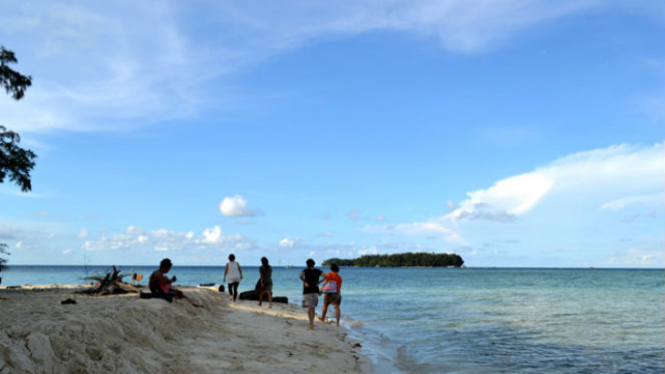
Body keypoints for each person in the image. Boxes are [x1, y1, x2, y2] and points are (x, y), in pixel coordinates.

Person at [299, 258, 324, 330]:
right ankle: (312, 323)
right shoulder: (318, 271)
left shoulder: (305, 270)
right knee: (313, 307)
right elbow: (325, 277)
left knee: (309, 307)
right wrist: (319, 282)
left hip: (307, 290)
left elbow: (300, 276)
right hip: (315, 290)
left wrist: (305, 282)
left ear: (307, 265)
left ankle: (311, 323)